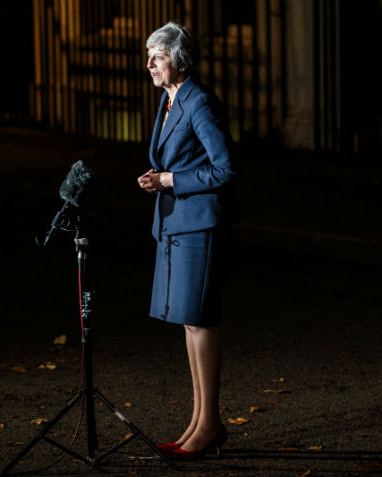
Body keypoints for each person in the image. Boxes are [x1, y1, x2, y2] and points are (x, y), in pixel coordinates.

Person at [137, 22, 237, 460]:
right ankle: (200, 422)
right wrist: (157, 180)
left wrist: (170, 179)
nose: (150, 65)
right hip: (176, 224)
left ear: (178, 58)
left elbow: (225, 168)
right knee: (188, 322)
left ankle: (209, 424)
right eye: (149, 56)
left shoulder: (199, 102)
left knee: (200, 321)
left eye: (157, 56)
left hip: (199, 225)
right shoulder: (169, 98)